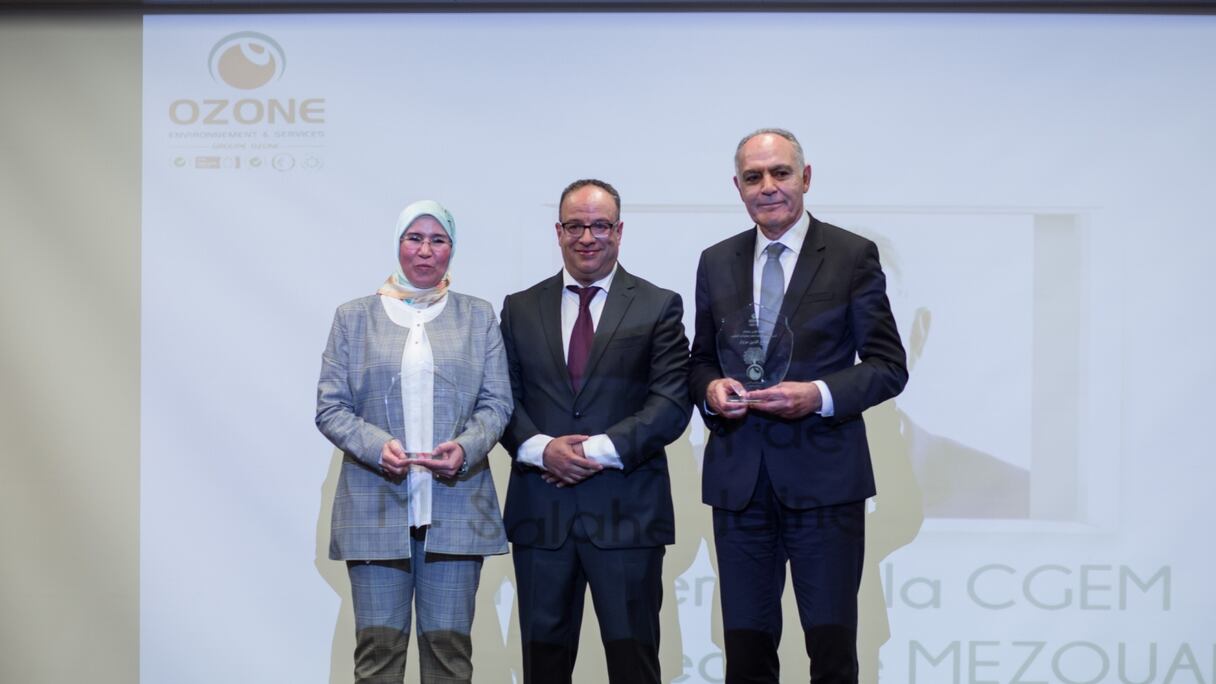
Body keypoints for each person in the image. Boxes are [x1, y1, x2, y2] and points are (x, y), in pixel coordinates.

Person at [689, 129, 908, 683]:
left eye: (780, 173)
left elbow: (887, 366)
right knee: (745, 651)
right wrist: (711, 392)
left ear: (805, 178)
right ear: (737, 187)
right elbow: (700, 362)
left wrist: (819, 396)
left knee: (831, 651)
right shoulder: (716, 261)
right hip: (740, 484)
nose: (768, 187)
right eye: (754, 177)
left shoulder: (853, 255)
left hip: (825, 481)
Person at [498, 179, 691, 684]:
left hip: (627, 516)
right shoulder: (519, 308)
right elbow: (501, 399)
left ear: (619, 231)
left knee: (634, 666)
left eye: (600, 225)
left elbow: (671, 403)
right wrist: (542, 450)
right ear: (558, 231)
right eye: (576, 225)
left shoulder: (658, 305)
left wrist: (594, 452)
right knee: (542, 666)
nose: (588, 237)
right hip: (542, 516)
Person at [315, 199, 511, 684]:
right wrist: (376, 445)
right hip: (373, 510)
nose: (425, 250)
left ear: (451, 249)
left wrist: (465, 448)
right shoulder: (353, 318)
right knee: (378, 653)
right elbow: (330, 407)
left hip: (457, 508)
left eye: (438, 239)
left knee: (449, 654)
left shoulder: (478, 316)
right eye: (414, 238)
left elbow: (497, 404)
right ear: (399, 244)